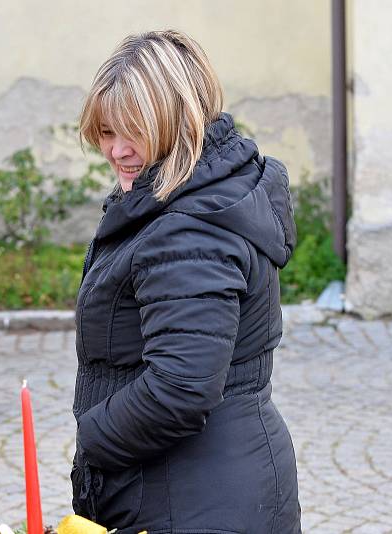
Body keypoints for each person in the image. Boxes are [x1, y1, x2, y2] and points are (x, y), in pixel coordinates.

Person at [71, 30, 302, 533]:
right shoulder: (195, 198)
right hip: (207, 485)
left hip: (193, 499)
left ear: (178, 123)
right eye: (106, 133)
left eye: (133, 130)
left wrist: (92, 439)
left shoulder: (188, 228)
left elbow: (180, 388)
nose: (117, 150)